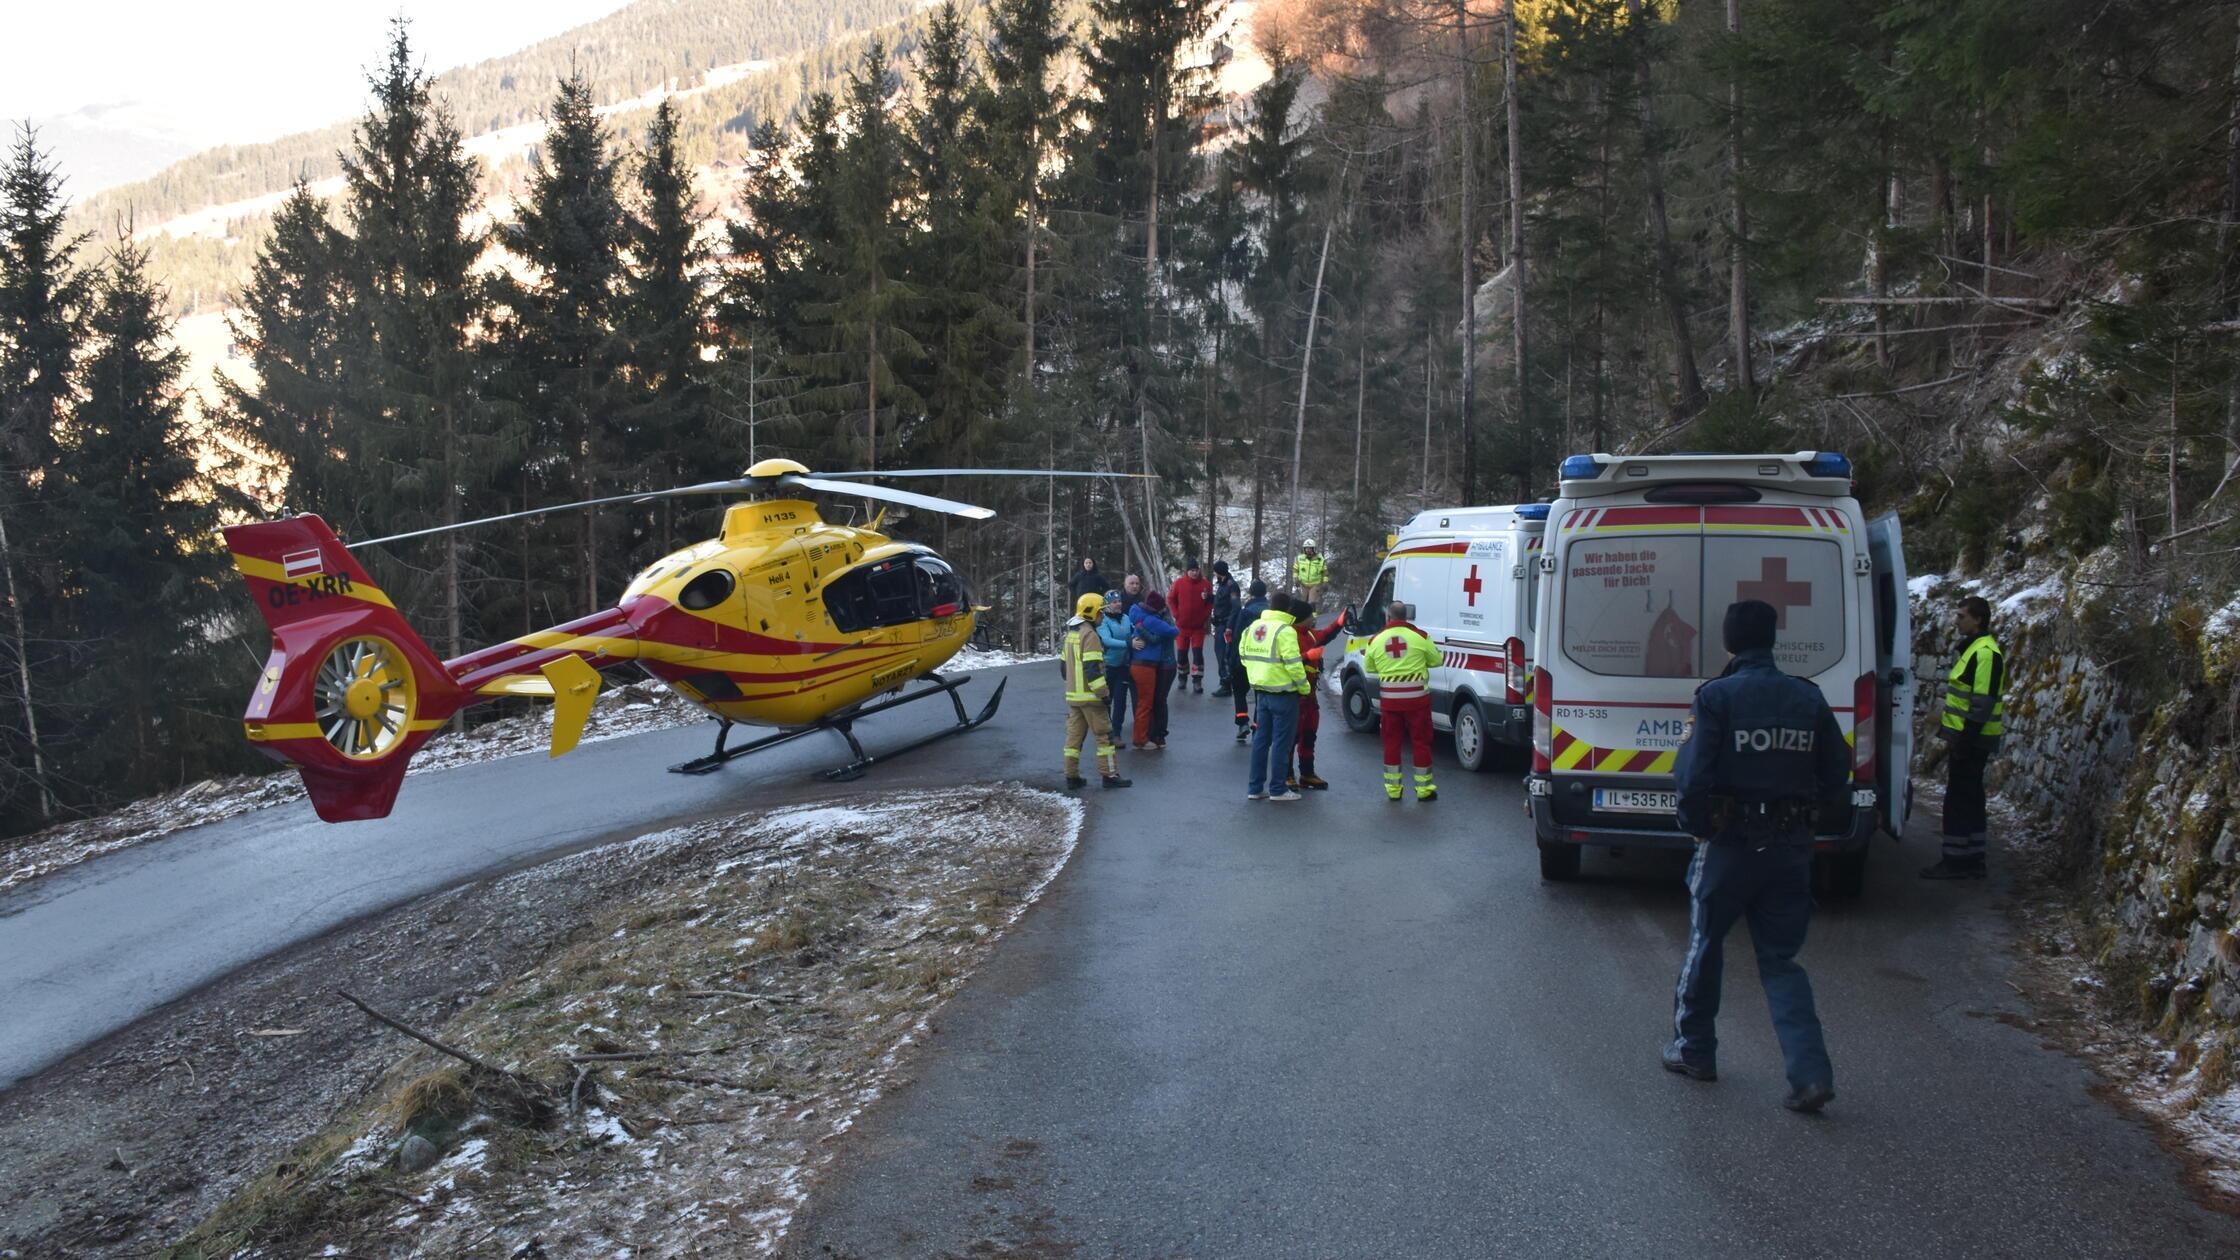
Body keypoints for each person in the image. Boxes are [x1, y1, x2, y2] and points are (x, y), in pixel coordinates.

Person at [1664, 599, 1848, 1115]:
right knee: (1782, 962)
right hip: (1789, 850)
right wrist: (1807, 820)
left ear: (1728, 641)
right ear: (1772, 639)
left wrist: (1699, 829)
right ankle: (1810, 1075)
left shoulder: (1716, 697)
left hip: (1728, 846)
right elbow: (1837, 773)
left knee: (1705, 945)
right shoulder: (1807, 697)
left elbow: (1692, 777)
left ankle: (1694, 1050)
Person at [1924, 595, 2004, 880]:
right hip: (1969, 738)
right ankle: (1972, 859)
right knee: (1970, 797)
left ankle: (1956, 861)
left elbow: (1982, 704)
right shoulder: (1975, 650)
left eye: (1961, 616)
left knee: (1959, 800)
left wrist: (1964, 742)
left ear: (1977, 619)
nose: (1956, 621)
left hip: (1972, 740)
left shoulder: (1985, 653)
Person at [1366, 600, 1439, 802]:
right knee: (1421, 743)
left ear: (1388, 617)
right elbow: (1436, 660)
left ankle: (1393, 790)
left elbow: (1370, 667)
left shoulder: (1376, 640)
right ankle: (1424, 790)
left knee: (1391, 743)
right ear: (1406, 617)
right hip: (1417, 702)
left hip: (1390, 702)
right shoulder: (1420, 637)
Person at [1239, 591, 1308, 801]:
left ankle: (1255, 788)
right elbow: (1293, 664)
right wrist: (1304, 687)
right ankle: (1278, 789)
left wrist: (1259, 673)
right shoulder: (1285, 630)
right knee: (1281, 743)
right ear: (1288, 609)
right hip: (1284, 694)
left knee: (1261, 740)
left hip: (1261, 692)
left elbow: (1243, 654)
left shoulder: (1253, 627)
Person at [1059, 593, 1130, 791]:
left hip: (1074, 698)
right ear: (1091, 613)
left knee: (1073, 739)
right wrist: (1104, 694)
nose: (1102, 616)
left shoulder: (1071, 634)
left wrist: (1074, 686)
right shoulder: (1090, 636)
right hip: (1091, 698)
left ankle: (1071, 777)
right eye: (1100, 612)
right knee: (1104, 737)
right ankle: (1110, 775)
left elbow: (1064, 668)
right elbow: (1093, 670)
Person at [1283, 595, 1344, 790]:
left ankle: (1307, 773)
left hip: (1310, 695)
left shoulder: (1309, 634)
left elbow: (1325, 635)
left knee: (1309, 734)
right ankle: (1287, 774)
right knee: (1291, 736)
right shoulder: (1288, 635)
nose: (1313, 618)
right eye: (1310, 616)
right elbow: (1285, 662)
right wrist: (1307, 657)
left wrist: (1339, 622)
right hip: (1294, 694)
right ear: (1303, 618)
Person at [1127, 590, 1179, 749]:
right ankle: (1142, 739)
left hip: (1138, 663)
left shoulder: (1136, 614)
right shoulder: (1152, 620)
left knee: (1144, 701)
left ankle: (1146, 735)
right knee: (1146, 703)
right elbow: (1174, 631)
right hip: (1146, 665)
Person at [1226, 578, 1270, 742]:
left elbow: (1238, 637)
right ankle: (1257, 726)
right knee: (1260, 695)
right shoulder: (1271, 613)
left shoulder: (1245, 613)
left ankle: (1242, 722)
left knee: (1239, 690)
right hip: (1264, 661)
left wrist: (1232, 659)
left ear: (1251, 594)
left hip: (1244, 659)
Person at [1168, 560, 1214, 694]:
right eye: (1192, 570)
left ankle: (1197, 680)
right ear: (1187, 571)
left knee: (1197, 654)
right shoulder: (1179, 583)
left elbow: (1210, 602)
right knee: (1182, 654)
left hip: (1198, 628)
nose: (1194, 573)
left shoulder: (1205, 584)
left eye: (1196, 570)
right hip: (1182, 627)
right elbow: (1170, 599)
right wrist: (1176, 613)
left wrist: (1205, 615)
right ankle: (1182, 677)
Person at [1097, 589, 1135, 740]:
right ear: (1107, 604)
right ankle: (1106, 732)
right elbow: (1107, 641)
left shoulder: (1125, 618)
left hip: (1123, 666)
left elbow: (1133, 632)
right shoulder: (1103, 620)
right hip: (1108, 666)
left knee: (1120, 701)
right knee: (1107, 700)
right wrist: (1128, 644)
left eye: (1119, 601)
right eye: (1114, 602)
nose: (1118, 604)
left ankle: (1117, 732)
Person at [1208, 561, 1241, 697]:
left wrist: (1229, 626)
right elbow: (1222, 601)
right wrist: (1209, 598)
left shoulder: (1231, 586)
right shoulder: (1222, 584)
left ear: (1218, 572)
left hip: (1225, 625)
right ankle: (1225, 682)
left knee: (1224, 655)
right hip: (1220, 624)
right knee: (1220, 654)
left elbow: (1235, 607)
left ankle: (1226, 684)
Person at [1293, 540, 1329, 610]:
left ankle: (1313, 616)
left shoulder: (1320, 559)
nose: (1308, 550)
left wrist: (1325, 582)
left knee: (1311, 603)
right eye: (1306, 548)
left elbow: (1325, 572)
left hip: (1315, 584)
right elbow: (1295, 569)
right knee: (1302, 603)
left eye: (1310, 548)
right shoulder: (1300, 558)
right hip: (1303, 584)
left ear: (1314, 549)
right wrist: (1296, 579)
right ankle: (1303, 616)